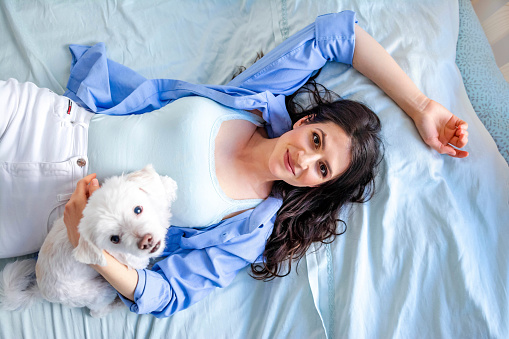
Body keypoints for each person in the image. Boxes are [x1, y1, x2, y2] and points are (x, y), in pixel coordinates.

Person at [0, 11, 468, 317]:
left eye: (321, 169)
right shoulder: (254, 98)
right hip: (47, 122)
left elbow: (167, 294)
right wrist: (422, 105)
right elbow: (337, 36)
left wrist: (90, 247)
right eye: (317, 139)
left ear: (317, 187)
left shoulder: (247, 231)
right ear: (305, 121)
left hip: (43, 218)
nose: (305, 158)